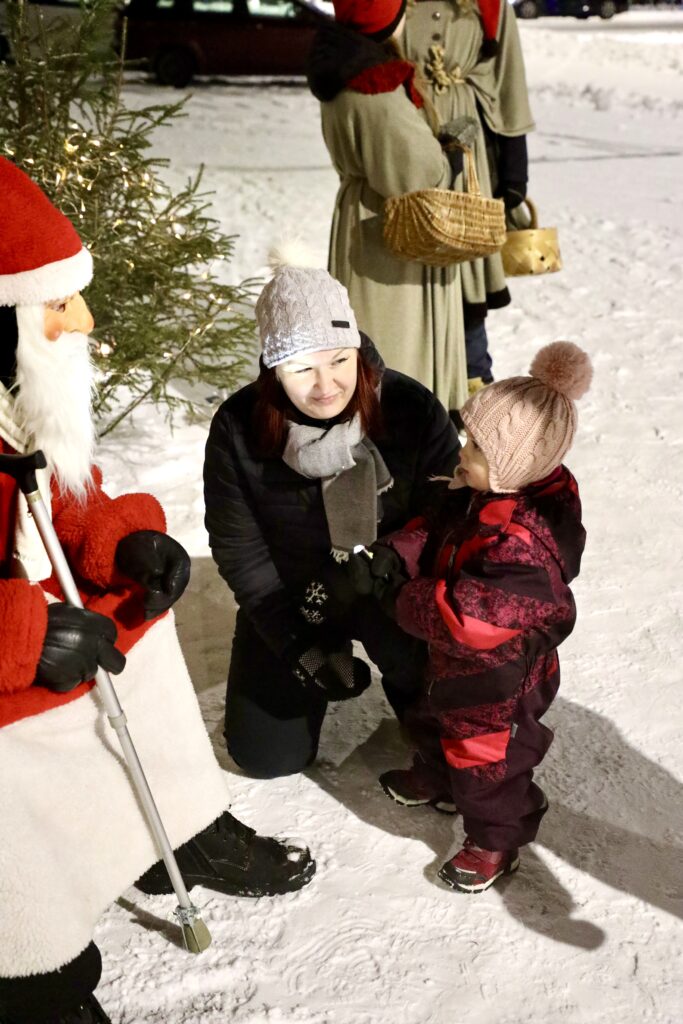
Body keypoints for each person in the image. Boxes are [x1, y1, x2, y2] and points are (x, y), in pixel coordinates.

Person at [0, 158, 314, 1024]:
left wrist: (122, 539)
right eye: (56, 305)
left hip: (23, 606)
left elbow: (66, 492)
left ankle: (168, 824)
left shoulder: (9, 393)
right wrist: (25, 633)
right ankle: (25, 966)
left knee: (141, 620)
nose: (83, 321)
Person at [203, 251, 460, 780]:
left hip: (392, 590)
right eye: (302, 369)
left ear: (358, 351)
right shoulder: (238, 427)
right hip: (298, 597)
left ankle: (414, 681)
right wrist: (295, 641)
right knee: (266, 756)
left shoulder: (408, 408)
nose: (326, 386)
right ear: (275, 370)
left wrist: (399, 572)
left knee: (458, 738)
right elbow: (239, 548)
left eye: (340, 361)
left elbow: (449, 511)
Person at [346, 341, 591, 892]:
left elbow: (467, 617)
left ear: (513, 467)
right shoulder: (480, 493)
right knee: (432, 714)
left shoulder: (526, 544)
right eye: (468, 438)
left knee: (489, 765)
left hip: (499, 679)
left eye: (477, 446)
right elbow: (437, 525)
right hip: (455, 666)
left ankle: (495, 839)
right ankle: (438, 777)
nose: (462, 450)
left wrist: (398, 597)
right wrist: (399, 552)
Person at [306, 0, 470, 412]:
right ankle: (405, 426)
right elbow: (413, 171)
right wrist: (446, 157)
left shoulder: (344, 70)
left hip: (363, 217)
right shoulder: (373, 85)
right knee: (398, 338)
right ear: (384, 15)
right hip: (389, 229)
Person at [402, 0, 535, 392]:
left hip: (471, 148)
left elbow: (509, 80)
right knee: (412, 262)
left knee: (466, 267)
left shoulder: (489, 4)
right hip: (408, 137)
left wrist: (515, 168)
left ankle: (473, 381)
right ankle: (416, 383)